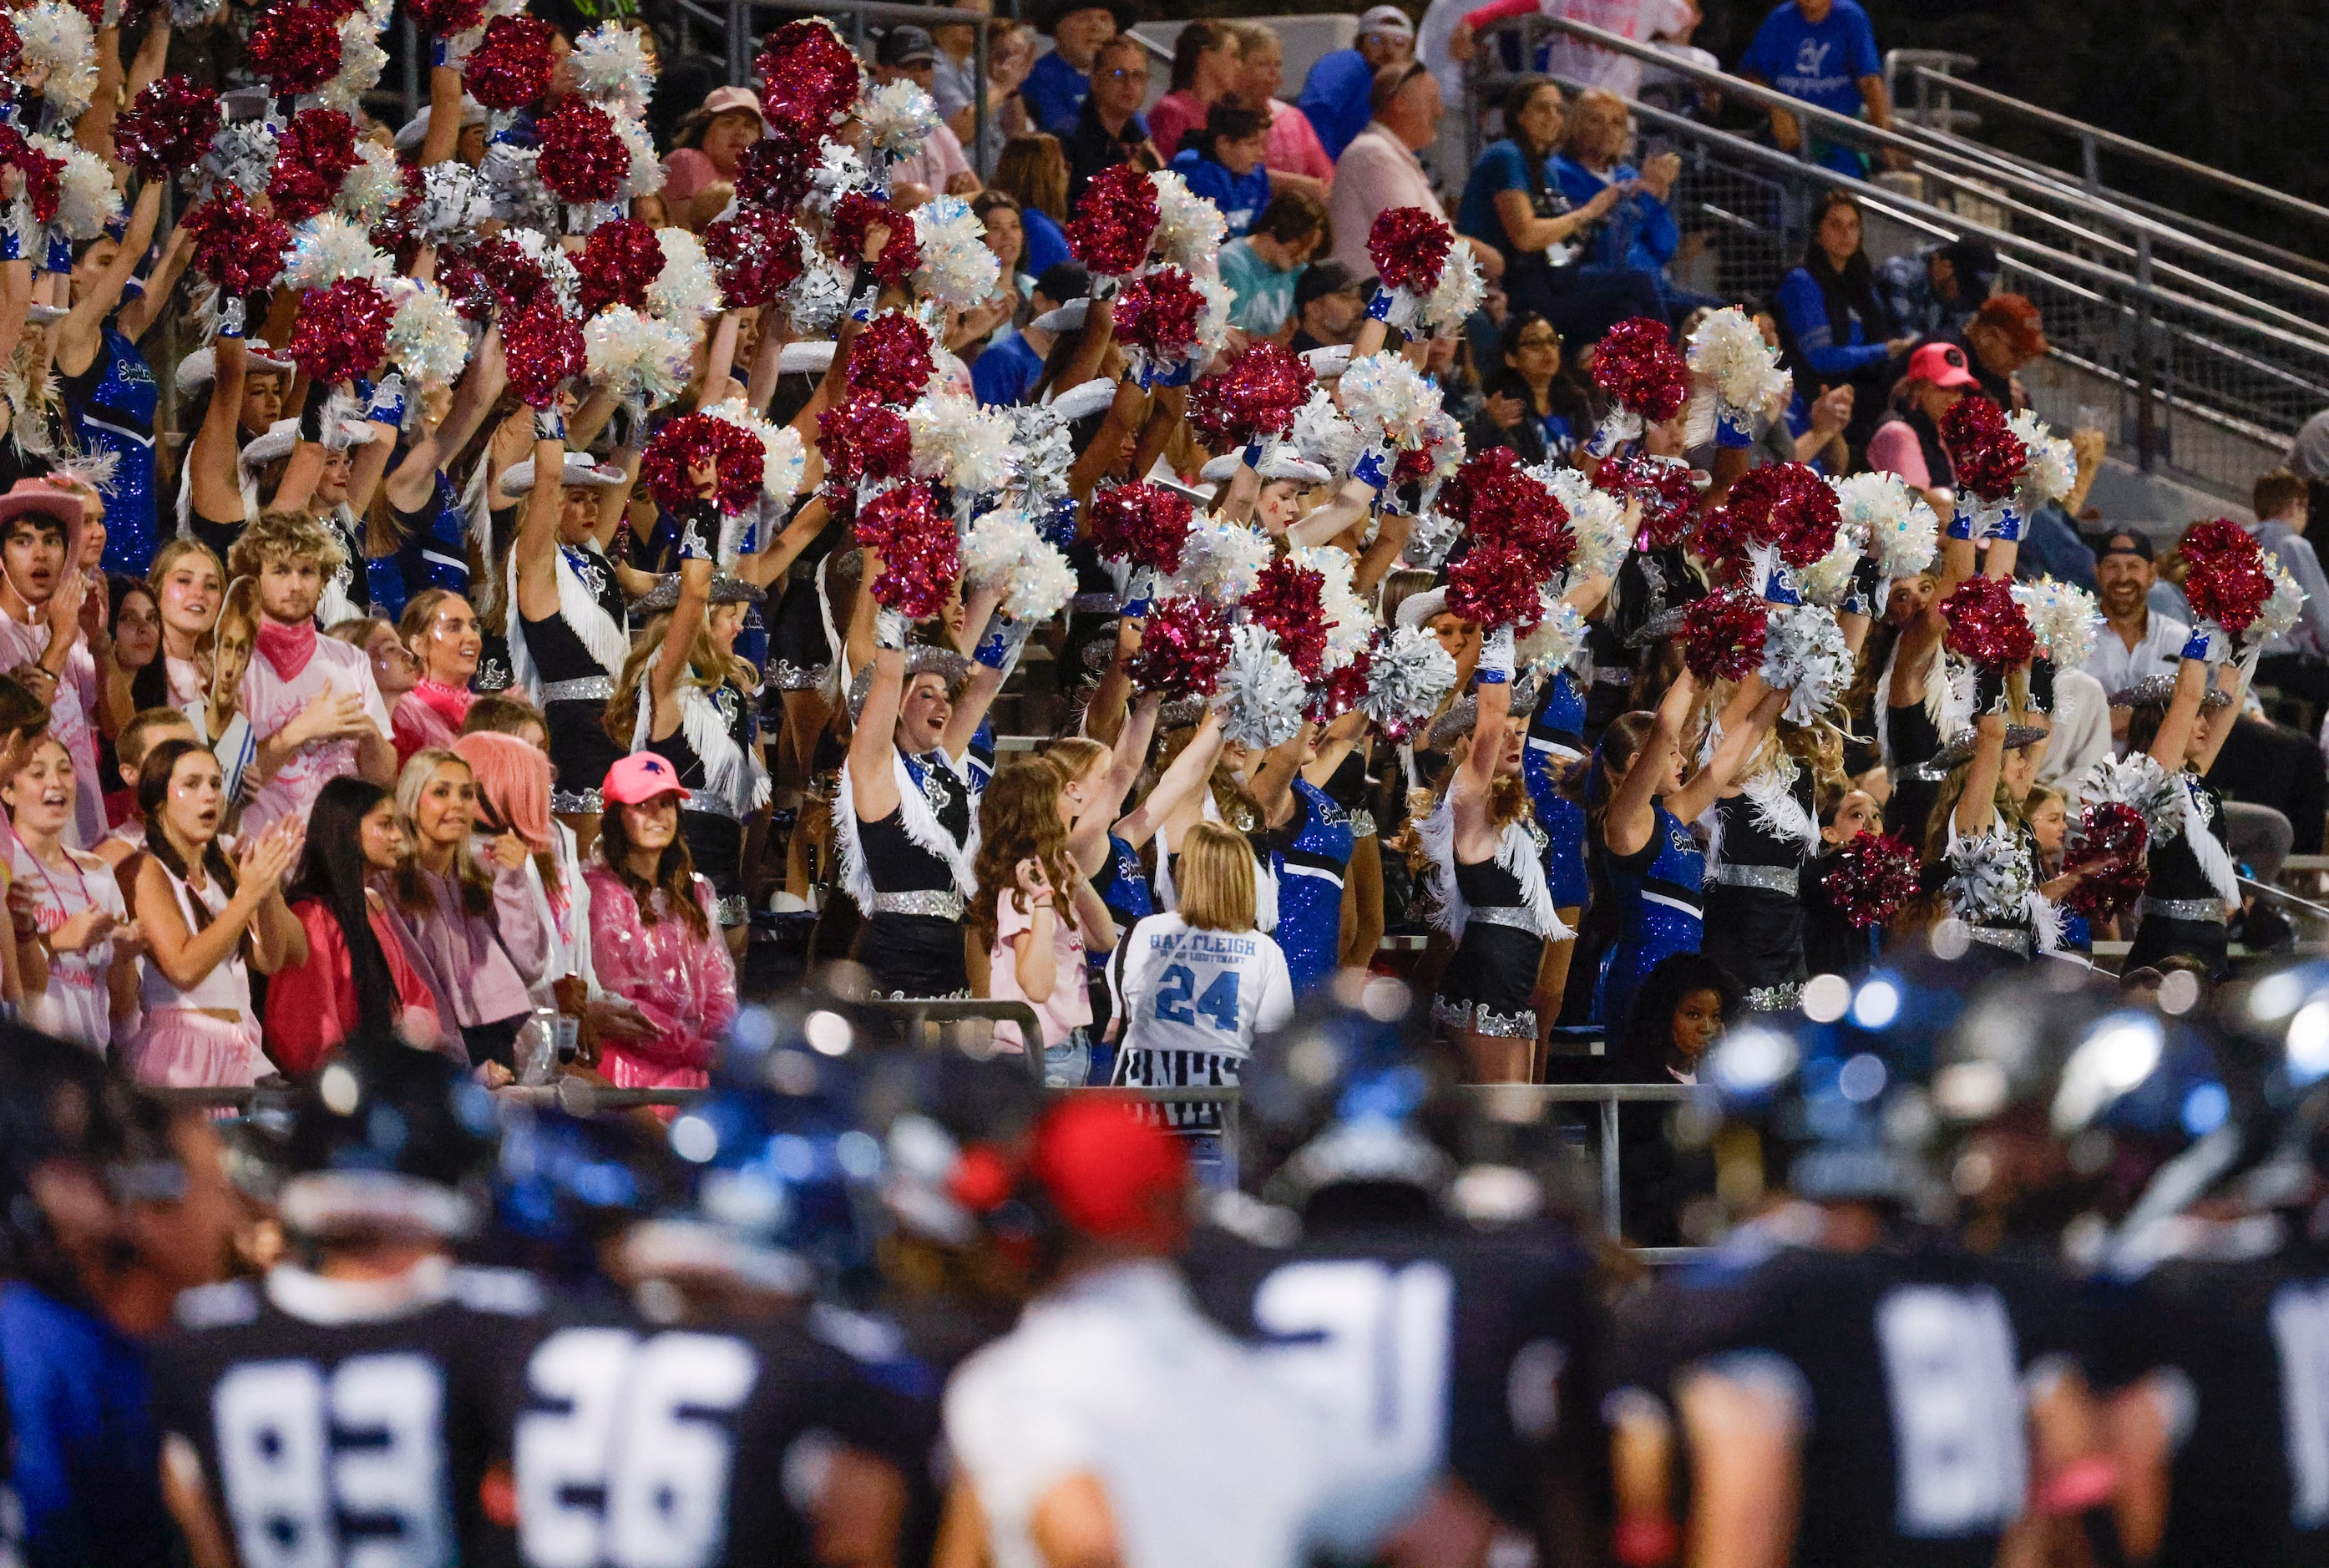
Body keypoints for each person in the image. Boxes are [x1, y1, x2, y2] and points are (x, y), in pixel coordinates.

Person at [942, 1095, 1340, 1568]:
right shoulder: (1266, 1387)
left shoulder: (1013, 1388)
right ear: (1176, 1218)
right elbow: (1438, 1534)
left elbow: (1085, 1545)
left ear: (1034, 1224)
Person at [1584, 669, 1782, 1050]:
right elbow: (1663, 730)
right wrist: (1696, 664)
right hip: (1645, 979)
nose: (1681, 760)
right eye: (1672, 754)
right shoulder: (1623, 819)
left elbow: (1727, 759)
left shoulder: (1672, 814)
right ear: (1641, 762)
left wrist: (1777, 696)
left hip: (1685, 980)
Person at [122, 737, 303, 1086]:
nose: (210, 795)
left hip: (233, 1047)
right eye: (192, 784)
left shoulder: (221, 870)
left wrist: (266, 891)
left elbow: (270, 959)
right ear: (159, 801)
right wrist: (247, 896)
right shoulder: (145, 869)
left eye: (216, 784)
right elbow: (184, 967)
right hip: (179, 1053)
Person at [1111, 817, 1294, 1158]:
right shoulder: (1265, 951)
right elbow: (1274, 1049)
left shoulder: (1142, 933)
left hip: (1144, 1115)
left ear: (1185, 872)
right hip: (1222, 1119)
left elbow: (1113, 1022)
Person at [608, 566, 767, 949]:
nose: (739, 627)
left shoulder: (734, 691)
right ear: (700, 621)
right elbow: (693, 600)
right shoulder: (666, 682)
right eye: (729, 616)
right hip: (680, 861)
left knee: (730, 1004)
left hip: (727, 865)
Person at [379, 746, 549, 1072]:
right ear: (412, 804)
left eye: (466, 794)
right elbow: (409, 984)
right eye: (441, 792)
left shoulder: (487, 873)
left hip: (494, 1035)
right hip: (427, 1044)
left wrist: (513, 882)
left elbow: (530, 964)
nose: (457, 804)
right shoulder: (389, 886)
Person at [228, 510, 396, 835]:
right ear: (254, 577)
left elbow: (383, 777)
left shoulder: (350, 659)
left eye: (307, 572)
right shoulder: (235, 661)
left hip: (344, 850)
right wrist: (301, 729)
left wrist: (370, 734)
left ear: (323, 581)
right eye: (281, 571)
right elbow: (232, 783)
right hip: (266, 853)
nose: (295, 585)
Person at [262, 775, 444, 1072]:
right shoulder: (310, 914)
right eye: (385, 825)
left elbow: (415, 997)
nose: (398, 836)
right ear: (348, 831)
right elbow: (308, 1025)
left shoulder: (373, 905)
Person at [583, 751, 737, 1092]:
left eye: (666, 803)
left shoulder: (695, 893)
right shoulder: (601, 892)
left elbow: (719, 987)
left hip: (694, 1075)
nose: (657, 815)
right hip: (629, 1080)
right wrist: (702, 1051)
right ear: (616, 816)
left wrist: (716, 1047)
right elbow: (622, 1003)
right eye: (641, 805)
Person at [1454, 77, 1651, 341]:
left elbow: (1555, 250)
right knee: (1637, 282)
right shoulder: (1506, 155)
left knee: (1625, 307)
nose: (1552, 116)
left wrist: (1584, 241)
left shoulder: (1546, 170)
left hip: (1544, 279)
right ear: (1519, 115)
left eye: (1559, 110)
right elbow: (1525, 237)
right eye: (1542, 108)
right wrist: (1587, 213)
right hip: (1506, 287)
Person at [975, 758, 1115, 1087]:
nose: (1074, 802)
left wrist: (1079, 884)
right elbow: (1036, 987)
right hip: (1039, 1054)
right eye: (1064, 795)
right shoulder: (1022, 892)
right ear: (1042, 812)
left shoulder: (1050, 885)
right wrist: (1041, 902)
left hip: (1067, 1049)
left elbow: (1105, 938)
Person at [5, 736, 134, 1053]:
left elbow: (122, 1006)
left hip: (89, 1065)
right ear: (7, 791)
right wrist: (60, 939)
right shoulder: (6, 868)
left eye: (65, 770)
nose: (56, 782)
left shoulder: (99, 874)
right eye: (37, 773)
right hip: (23, 1064)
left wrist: (125, 955)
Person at [0, 482, 104, 849]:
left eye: (52, 540)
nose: (40, 554)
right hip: (20, 851)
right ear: (1, 556)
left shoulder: (65, 627)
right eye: (23, 541)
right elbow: (17, 745)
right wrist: (59, 645)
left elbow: (114, 728)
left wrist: (99, 642)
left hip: (82, 837)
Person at [1770, 190, 1914, 452]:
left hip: (1859, 384)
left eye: (1852, 226)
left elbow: (1878, 336)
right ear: (1817, 233)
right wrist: (1883, 351)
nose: (1845, 234)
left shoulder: (1861, 281)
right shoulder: (1802, 281)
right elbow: (1820, 358)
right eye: (1835, 225)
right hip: (1816, 388)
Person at [1552, 89, 1695, 316]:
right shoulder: (1558, 172)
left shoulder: (1628, 175)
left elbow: (1664, 248)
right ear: (1575, 126)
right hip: (1595, 282)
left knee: (1722, 311)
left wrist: (1657, 195)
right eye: (1596, 121)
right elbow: (1591, 247)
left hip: (1651, 286)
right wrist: (1626, 199)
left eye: (1617, 123)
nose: (1608, 130)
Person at [1734, 0, 1894, 177]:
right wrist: (1776, 106)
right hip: (1793, 140)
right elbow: (1748, 77)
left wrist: (1884, 140)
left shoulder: (1850, 16)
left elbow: (1870, 82)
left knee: (1841, 201)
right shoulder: (1780, 19)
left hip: (1840, 139)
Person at [1329, 63, 1457, 280]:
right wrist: (1485, 259)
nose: (1440, 111)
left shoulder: (1389, 154)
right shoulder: (1373, 154)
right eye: (1431, 101)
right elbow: (1417, 243)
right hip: (1372, 305)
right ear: (1400, 104)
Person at [2244, 468, 2329, 719]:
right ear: (2295, 505)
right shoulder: (2293, 545)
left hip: (2237, 657)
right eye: (2307, 510)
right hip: (2274, 661)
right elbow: (2323, 616)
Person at [1221, 22, 1334, 200]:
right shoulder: (1217, 117)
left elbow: (1325, 180)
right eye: (1263, 64)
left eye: (1278, 65)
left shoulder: (1292, 118)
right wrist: (1295, 185)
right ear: (1236, 64)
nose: (1275, 75)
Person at [1467, 312, 1596, 466]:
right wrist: (1491, 426)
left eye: (1552, 341)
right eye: (1534, 343)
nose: (1547, 349)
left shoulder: (1576, 401)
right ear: (1511, 358)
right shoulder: (1504, 410)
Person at [1866, 340, 1977, 515]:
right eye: (1942, 388)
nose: (1952, 399)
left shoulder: (1947, 429)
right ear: (1917, 389)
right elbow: (1914, 509)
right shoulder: (1897, 433)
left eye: (1958, 389)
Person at [1296, 4, 1416, 164]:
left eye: (1399, 43)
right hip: (1335, 169)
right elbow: (1316, 110)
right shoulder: (1349, 64)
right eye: (1376, 40)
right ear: (1359, 43)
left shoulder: (1407, 83)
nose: (1388, 49)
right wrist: (1326, 172)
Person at [2089, 529, 2188, 711]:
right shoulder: (2074, 636)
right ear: (2098, 573)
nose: (2123, 577)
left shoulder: (2179, 639)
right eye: (2112, 566)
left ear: (2152, 574)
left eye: (2133, 566)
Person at [971, 260, 1092, 407]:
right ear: (1039, 300)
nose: (1077, 325)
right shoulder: (999, 361)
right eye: (1069, 311)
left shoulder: (1076, 363)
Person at [878, 27, 980, 198]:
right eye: (910, 68)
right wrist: (954, 201)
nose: (920, 78)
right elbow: (904, 204)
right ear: (882, 71)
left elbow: (978, 196)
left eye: (925, 67)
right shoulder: (871, 130)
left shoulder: (937, 130)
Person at [389, 589, 483, 769]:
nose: (472, 638)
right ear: (419, 645)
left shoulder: (483, 709)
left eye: (473, 626)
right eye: (454, 628)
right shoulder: (404, 713)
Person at [1063, 33, 1159, 206]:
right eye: (1118, 74)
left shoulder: (1142, 144)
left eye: (1138, 76)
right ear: (1095, 79)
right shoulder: (1068, 140)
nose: (1129, 84)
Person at [1218, 192, 1328, 339]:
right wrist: (1274, 339)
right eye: (1302, 245)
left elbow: (1291, 328)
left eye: (1311, 250)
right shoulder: (1232, 264)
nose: (1305, 257)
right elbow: (1230, 341)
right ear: (1274, 231)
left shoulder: (1294, 269)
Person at [1022, 0, 1127, 136]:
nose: (1096, 27)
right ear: (1058, 30)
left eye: (1104, 19)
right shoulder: (1041, 75)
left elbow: (1134, 128)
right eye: (1083, 19)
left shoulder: (1119, 74)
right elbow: (1062, 127)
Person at [1169, 104, 1274, 238]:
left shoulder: (1257, 174)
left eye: (1263, 144)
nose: (1261, 153)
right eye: (1252, 144)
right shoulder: (1189, 173)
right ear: (1223, 143)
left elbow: (1259, 229)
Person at [1147, 18, 1239, 164]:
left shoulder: (1222, 111)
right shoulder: (1172, 112)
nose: (1238, 65)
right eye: (1233, 55)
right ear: (1206, 56)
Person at [1874, 235, 1999, 341]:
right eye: (1961, 289)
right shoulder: (1899, 276)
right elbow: (1907, 341)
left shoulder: (1955, 297)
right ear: (1946, 266)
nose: (1958, 298)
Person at [1941, 292, 2048, 412]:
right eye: (2015, 351)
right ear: (1987, 336)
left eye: (2026, 356)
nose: (2018, 364)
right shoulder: (1945, 355)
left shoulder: (2003, 383)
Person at [991, 133, 1076, 277]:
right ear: (1047, 176)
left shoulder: (1039, 223)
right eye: (1061, 165)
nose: (1067, 171)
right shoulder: (1035, 226)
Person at [1286, 260, 1368, 355]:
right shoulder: (1292, 363)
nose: (1362, 308)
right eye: (1346, 297)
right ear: (1314, 310)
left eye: (1359, 297)